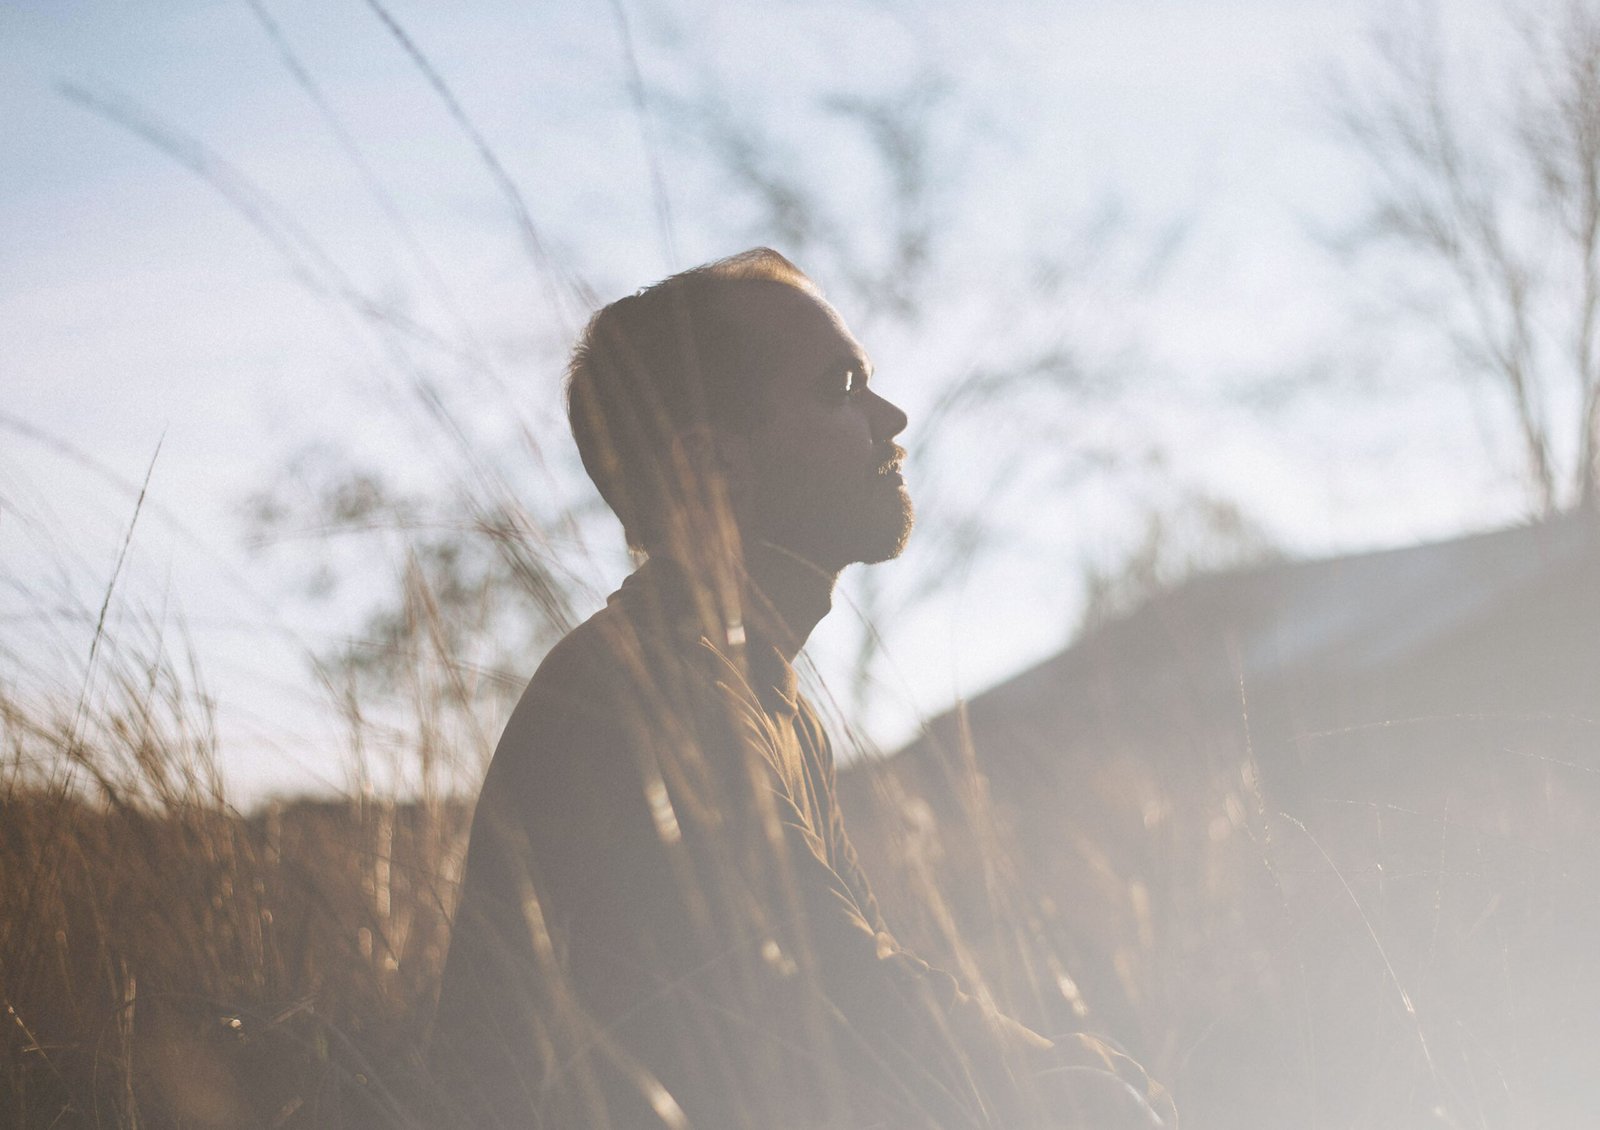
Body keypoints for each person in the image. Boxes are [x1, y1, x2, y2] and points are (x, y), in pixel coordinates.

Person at [428, 249, 1171, 1128]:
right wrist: (1053, 1079)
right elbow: (837, 987)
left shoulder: (771, 701)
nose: (891, 417)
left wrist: (1052, 1061)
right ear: (713, 466)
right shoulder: (655, 688)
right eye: (841, 387)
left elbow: (861, 968)